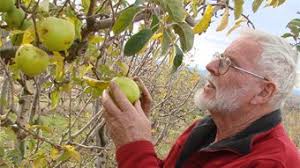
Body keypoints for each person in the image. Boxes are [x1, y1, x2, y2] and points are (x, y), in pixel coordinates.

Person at [102, 29, 300, 168]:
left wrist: (135, 146)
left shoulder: (275, 163)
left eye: (229, 63)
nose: (210, 65)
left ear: (263, 92)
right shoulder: (203, 130)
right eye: (220, 56)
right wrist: (138, 131)